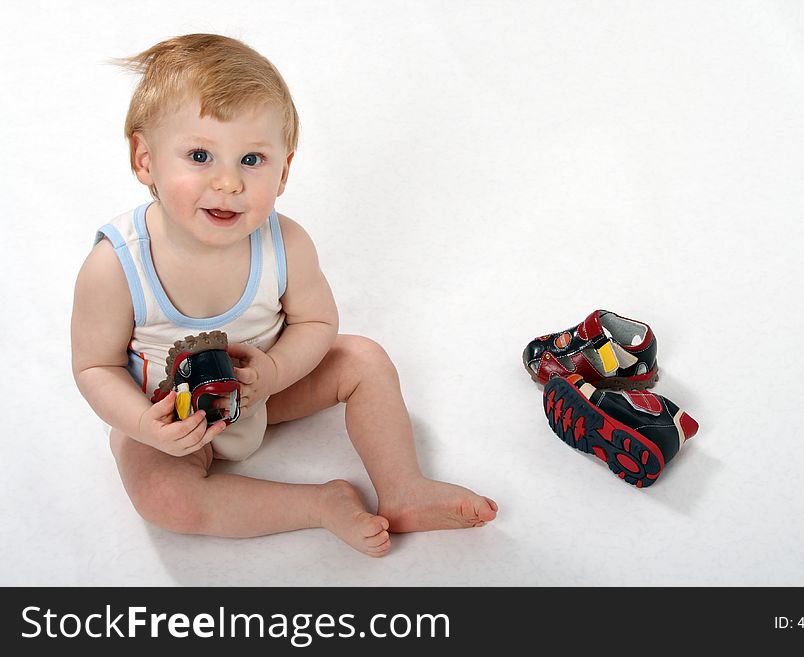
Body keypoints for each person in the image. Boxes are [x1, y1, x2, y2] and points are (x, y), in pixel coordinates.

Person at [71, 33, 497, 557]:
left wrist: (272, 375)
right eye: (200, 155)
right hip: (169, 418)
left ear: (285, 170)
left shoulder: (285, 243)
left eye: (252, 159)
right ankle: (319, 505)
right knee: (165, 499)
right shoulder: (118, 264)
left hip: (265, 391)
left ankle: (404, 486)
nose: (228, 182)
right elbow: (95, 367)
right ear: (145, 160)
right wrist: (143, 424)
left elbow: (317, 324)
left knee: (363, 358)